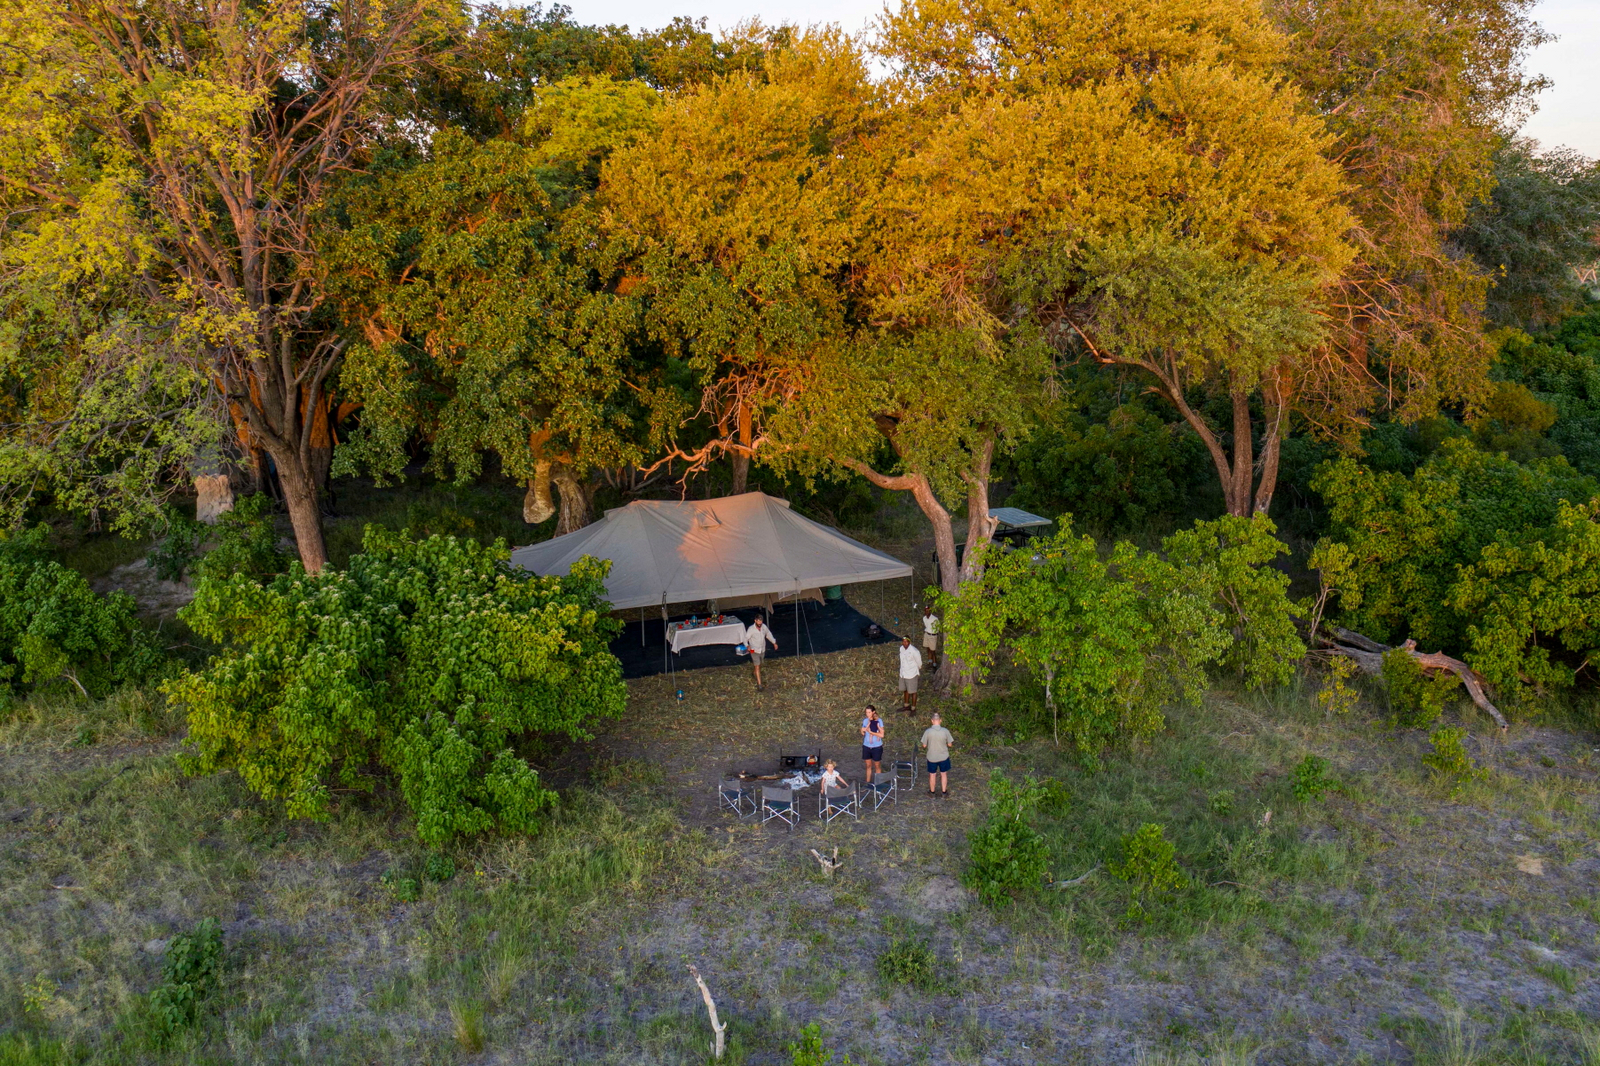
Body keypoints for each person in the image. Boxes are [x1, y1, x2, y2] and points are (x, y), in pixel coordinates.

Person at [919, 713, 955, 797]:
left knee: (932, 774)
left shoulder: (928, 732)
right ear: (940, 720)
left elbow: (924, 745)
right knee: (943, 774)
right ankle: (944, 792)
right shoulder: (945, 731)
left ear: (932, 721)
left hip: (932, 757)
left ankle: (932, 792)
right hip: (943, 757)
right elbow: (950, 744)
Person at [744, 613, 777, 690]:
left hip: (762, 649)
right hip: (753, 650)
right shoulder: (751, 629)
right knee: (757, 665)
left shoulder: (764, 627)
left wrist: (774, 643)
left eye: (761, 621)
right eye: (758, 621)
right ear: (755, 621)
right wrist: (747, 646)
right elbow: (745, 639)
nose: (759, 623)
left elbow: (768, 634)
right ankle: (759, 685)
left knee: (759, 664)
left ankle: (754, 672)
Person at [897, 635, 923, 714]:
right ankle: (906, 705)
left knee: (913, 691)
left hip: (911, 674)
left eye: (906, 642)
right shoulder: (901, 649)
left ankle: (913, 708)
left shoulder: (914, 651)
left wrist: (915, 670)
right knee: (905, 689)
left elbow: (919, 663)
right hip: (903, 673)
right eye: (903, 641)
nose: (904, 643)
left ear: (909, 642)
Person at [860, 705, 885, 783]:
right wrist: (862, 730)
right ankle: (868, 782)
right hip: (866, 746)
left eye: (869, 712)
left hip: (877, 747)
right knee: (868, 765)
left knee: (877, 765)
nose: (867, 714)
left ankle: (878, 782)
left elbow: (882, 735)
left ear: (873, 712)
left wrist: (871, 732)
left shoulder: (879, 721)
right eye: (866, 712)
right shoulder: (865, 721)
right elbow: (863, 732)